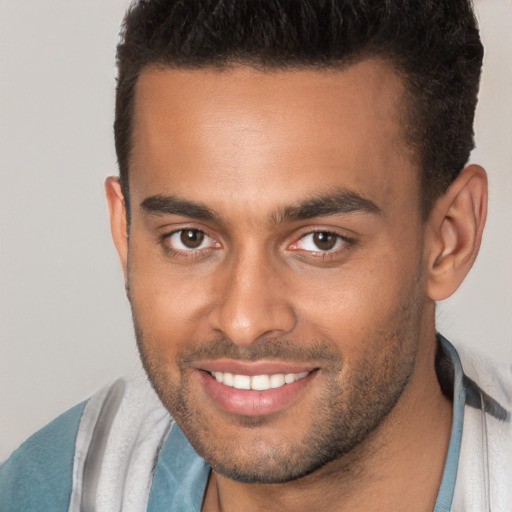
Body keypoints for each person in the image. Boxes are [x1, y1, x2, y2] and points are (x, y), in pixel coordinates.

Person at [1, 0, 510, 510]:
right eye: (191, 238)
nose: (243, 321)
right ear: (126, 232)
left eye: (321, 241)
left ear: (449, 238)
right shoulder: (52, 491)